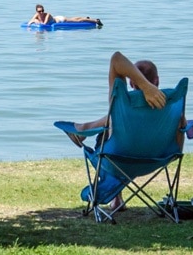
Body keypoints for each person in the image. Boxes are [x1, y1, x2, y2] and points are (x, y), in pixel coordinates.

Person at [65, 51, 171, 210]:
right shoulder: (171, 102)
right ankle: (83, 128)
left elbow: (116, 58)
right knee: (114, 125)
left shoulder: (123, 104)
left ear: (131, 83)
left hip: (119, 159)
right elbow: (182, 131)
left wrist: (145, 87)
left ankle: (116, 197)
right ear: (157, 80)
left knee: (109, 134)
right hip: (156, 159)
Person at [28, 5, 102, 26]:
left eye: (42, 10)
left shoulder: (47, 14)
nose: (41, 12)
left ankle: (95, 20)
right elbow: (30, 21)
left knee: (77, 20)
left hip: (60, 20)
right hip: (56, 18)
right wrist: (34, 21)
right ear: (37, 11)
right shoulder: (36, 15)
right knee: (74, 18)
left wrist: (36, 21)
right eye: (39, 11)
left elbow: (45, 24)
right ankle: (86, 18)